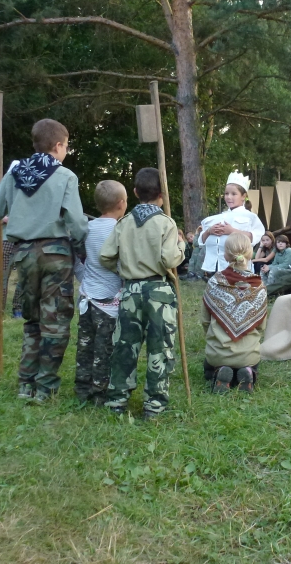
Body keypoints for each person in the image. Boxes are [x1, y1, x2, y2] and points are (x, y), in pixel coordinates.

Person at [0, 118, 87, 403]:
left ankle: (25, 383)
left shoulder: (15, 174)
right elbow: (76, 223)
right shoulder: (65, 176)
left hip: (25, 254)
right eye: (66, 146)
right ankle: (45, 386)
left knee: (33, 319)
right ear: (58, 145)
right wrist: (83, 247)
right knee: (55, 321)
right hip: (56, 255)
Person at [100, 167, 186, 419]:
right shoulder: (166, 223)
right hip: (159, 291)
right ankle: (154, 405)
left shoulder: (124, 223)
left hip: (130, 291)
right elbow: (169, 259)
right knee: (160, 347)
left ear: (136, 192)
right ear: (163, 194)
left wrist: (123, 269)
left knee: (125, 346)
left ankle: (117, 401)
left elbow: (105, 256)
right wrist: (181, 246)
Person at [74, 180, 127, 406]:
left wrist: (83, 276)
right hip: (109, 300)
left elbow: (77, 258)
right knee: (105, 349)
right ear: (121, 203)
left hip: (86, 297)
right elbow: (123, 264)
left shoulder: (86, 229)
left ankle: (81, 388)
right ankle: (99, 393)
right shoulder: (120, 230)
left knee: (85, 345)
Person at [202, 232, 268, 394]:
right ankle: (248, 371)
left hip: (218, 352)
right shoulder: (259, 287)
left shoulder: (214, 282)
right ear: (250, 254)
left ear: (225, 255)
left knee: (208, 368)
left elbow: (205, 321)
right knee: (250, 361)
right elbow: (261, 326)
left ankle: (220, 370)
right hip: (249, 354)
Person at [198, 172, 265, 276]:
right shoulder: (217, 217)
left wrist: (232, 231)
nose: (229, 197)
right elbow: (201, 241)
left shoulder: (250, 217)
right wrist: (209, 231)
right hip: (215, 266)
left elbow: (256, 237)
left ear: (243, 196)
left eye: (234, 194)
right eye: (226, 193)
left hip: (238, 267)